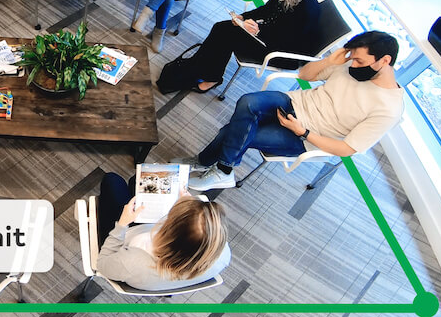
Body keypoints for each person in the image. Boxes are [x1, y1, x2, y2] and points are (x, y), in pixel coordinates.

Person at [186, 31, 405, 191]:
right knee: (247, 102)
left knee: (230, 131)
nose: (354, 65)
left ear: (385, 61)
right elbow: (305, 75)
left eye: (359, 60)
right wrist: (329, 61)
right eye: (353, 59)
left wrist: (303, 132)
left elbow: (347, 149)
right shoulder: (351, 66)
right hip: (293, 103)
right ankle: (220, 168)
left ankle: (214, 166)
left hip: (306, 134)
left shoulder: (388, 108)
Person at [192, 0, 321, 93]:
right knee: (221, 27)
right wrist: (244, 17)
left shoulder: (306, 9)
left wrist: (258, 32)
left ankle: (211, 76)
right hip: (272, 36)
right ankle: (202, 68)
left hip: (283, 53)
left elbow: (286, 40)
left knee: (227, 36)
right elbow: (267, 10)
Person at [94, 172, 231, 291]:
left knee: (112, 180)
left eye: (171, 217)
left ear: (168, 230)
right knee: (138, 180)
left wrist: (122, 225)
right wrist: (189, 207)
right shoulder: (223, 255)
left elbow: (102, 264)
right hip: (157, 276)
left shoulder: (133, 262)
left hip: (126, 239)